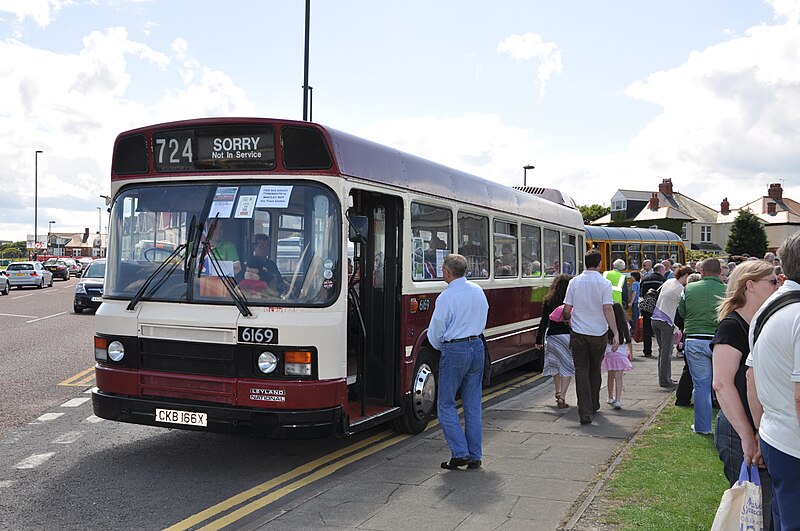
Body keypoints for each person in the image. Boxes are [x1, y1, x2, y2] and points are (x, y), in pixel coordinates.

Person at [711, 260, 777, 530]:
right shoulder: (732, 326)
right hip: (738, 430)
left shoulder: (758, 324)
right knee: (754, 510)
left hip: (757, 429)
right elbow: (722, 384)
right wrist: (748, 437)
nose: (778, 285)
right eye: (772, 281)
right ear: (750, 285)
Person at [746, 233, 800, 530]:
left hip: (775, 436)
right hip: (794, 442)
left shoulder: (768, 307)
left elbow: (751, 379)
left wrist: (758, 431)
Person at [427, 254, 489, 470]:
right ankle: (475, 455)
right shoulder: (477, 290)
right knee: (472, 403)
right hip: (477, 346)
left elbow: (436, 331)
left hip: (455, 349)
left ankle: (460, 453)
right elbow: (484, 315)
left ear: (447, 272)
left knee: (445, 403)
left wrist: (441, 346)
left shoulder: (446, 297)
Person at [562, 250, 620, 425]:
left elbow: (566, 310)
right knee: (595, 369)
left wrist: (568, 319)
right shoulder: (604, 283)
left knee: (581, 370)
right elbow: (607, 309)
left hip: (579, 333)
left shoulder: (574, 282)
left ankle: (585, 411)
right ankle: (594, 404)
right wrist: (616, 332)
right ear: (600, 263)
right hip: (598, 333)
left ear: (585, 263)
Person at [677, 258, 727, 434]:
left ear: (702, 272)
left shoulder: (689, 288)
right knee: (725, 385)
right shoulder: (727, 291)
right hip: (721, 341)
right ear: (720, 272)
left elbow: (681, 311)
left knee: (701, 386)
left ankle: (703, 427)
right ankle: (729, 427)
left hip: (695, 339)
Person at [535, 274, 574, 409]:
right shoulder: (572, 300)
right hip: (567, 336)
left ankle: (557, 391)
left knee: (555, 365)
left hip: (552, 336)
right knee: (567, 366)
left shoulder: (549, 300)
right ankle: (562, 396)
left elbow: (544, 321)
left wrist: (538, 339)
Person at [651, 265, 694, 388]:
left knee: (662, 351)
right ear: (686, 276)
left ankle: (665, 378)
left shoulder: (669, 281)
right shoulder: (681, 289)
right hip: (667, 322)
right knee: (666, 352)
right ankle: (665, 380)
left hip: (655, 319)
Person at [603, 302, 633, 409]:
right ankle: (618, 400)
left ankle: (610, 396)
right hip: (621, 354)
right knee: (619, 377)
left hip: (609, 353)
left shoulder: (607, 324)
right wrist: (631, 352)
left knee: (610, 376)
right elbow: (628, 340)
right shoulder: (625, 325)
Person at [640, 263, 667, 358]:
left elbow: (642, 293)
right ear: (660, 271)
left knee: (646, 329)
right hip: (659, 307)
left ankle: (647, 350)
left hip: (647, 308)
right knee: (661, 329)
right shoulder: (663, 281)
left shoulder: (645, 279)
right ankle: (662, 350)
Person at [629, 271, 641, 335]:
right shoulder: (639, 283)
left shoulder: (634, 284)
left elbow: (634, 293)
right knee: (637, 316)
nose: (630, 277)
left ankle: (634, 331)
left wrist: (631, 302)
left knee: (634, 317)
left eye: (631, 276)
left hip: (635, 302)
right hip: (639, 301)